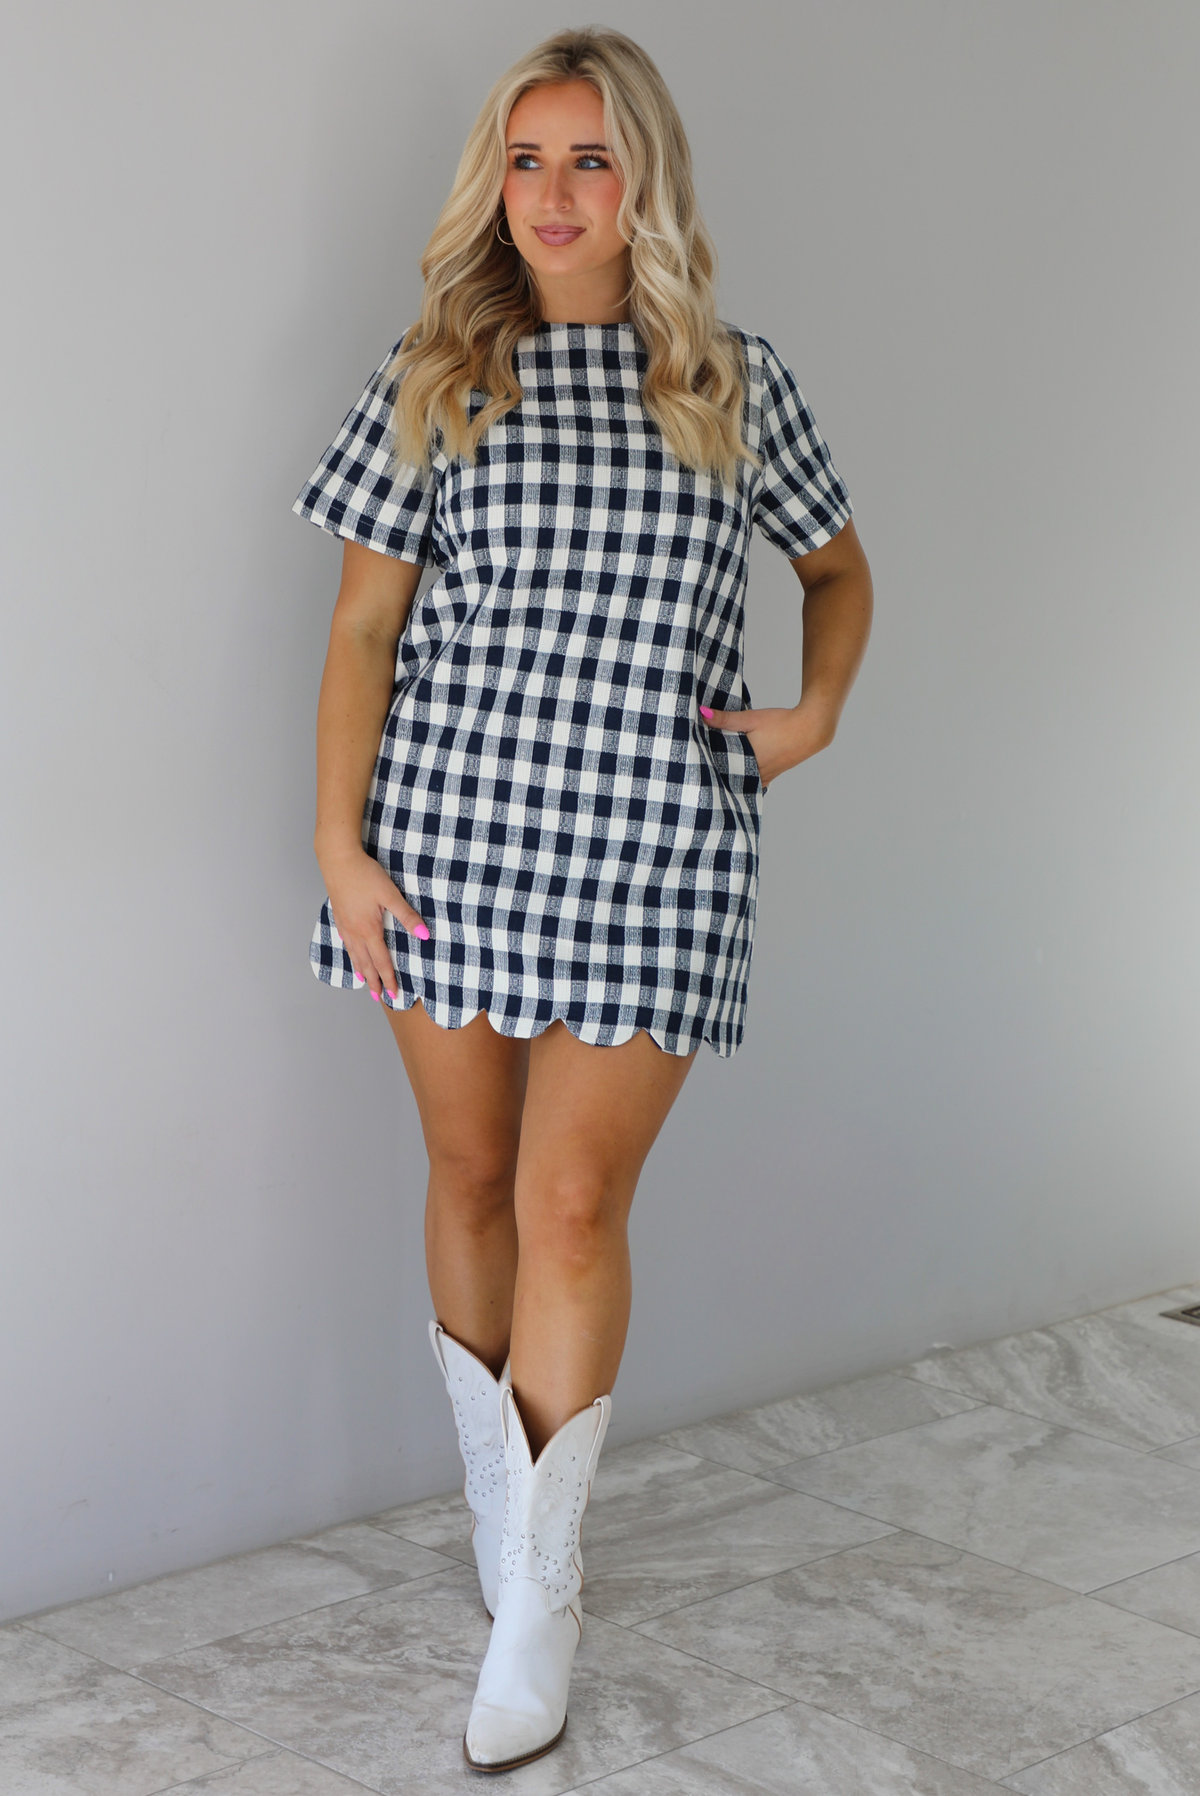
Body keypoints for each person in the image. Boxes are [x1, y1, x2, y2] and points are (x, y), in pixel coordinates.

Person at [294, 25, 872, 1774]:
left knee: (568, 1200)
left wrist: (816, 711)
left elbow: (837, 567)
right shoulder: (437, 372)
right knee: (468, 1172)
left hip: (657, 849)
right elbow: (363, 634)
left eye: (591, 162)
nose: (555, 197)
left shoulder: (733, 379)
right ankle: (503, 1518)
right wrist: (340, 845)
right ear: (499, 184)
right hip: (449, 837)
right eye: (530, 162)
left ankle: (543, 1595)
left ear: (648, 186)